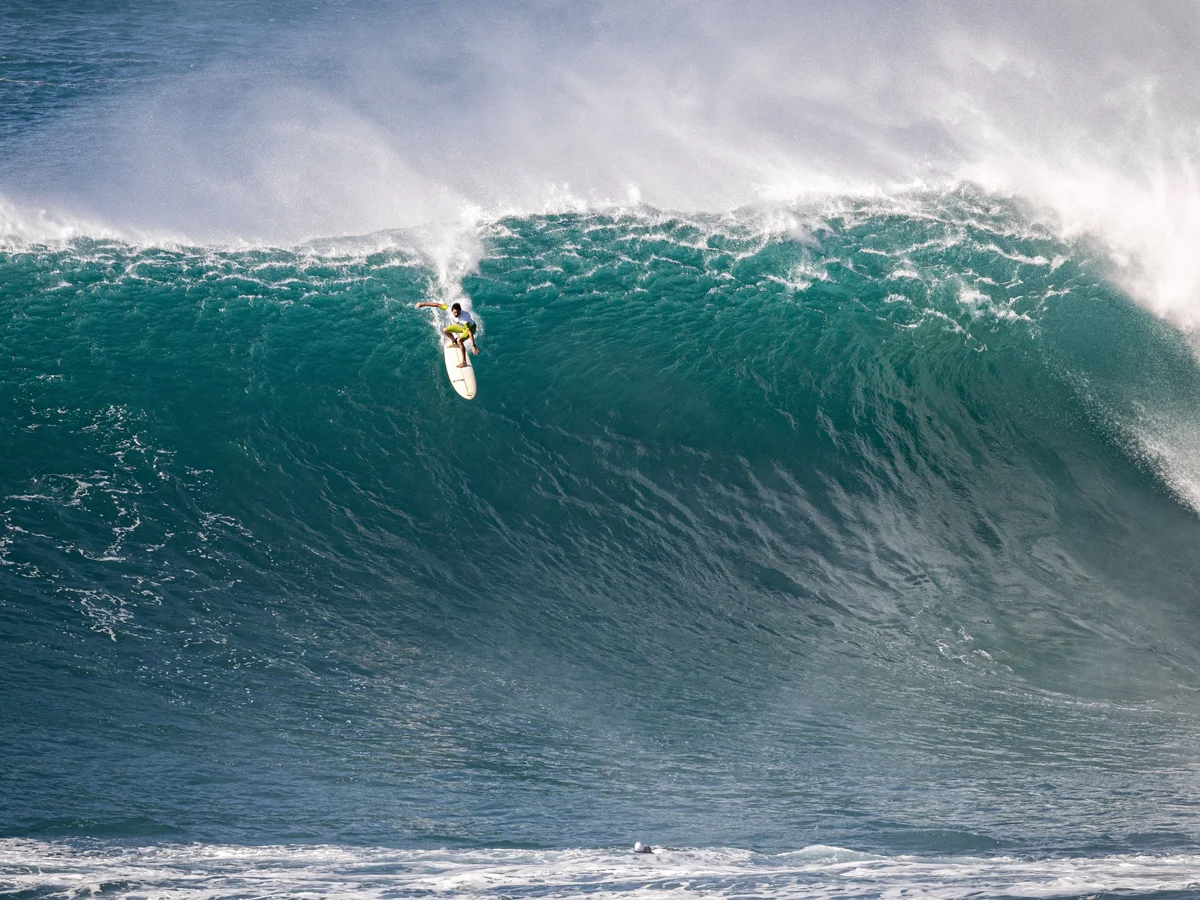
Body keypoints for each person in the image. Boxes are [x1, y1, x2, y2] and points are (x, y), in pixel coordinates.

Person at [415, 300, 480, 368]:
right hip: (461, 327)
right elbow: (437, 305)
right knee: (445, 330)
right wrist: (423, 304)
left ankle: (464, 362)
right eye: (455, 312)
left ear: (460, 311)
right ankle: (454, 341)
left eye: (458, 312)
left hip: (471, 328)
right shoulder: (448, 309)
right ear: (451, 310)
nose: (456, 314)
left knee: (460, 340)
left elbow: (469, 332)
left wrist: (473, 345)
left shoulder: (464, 319)